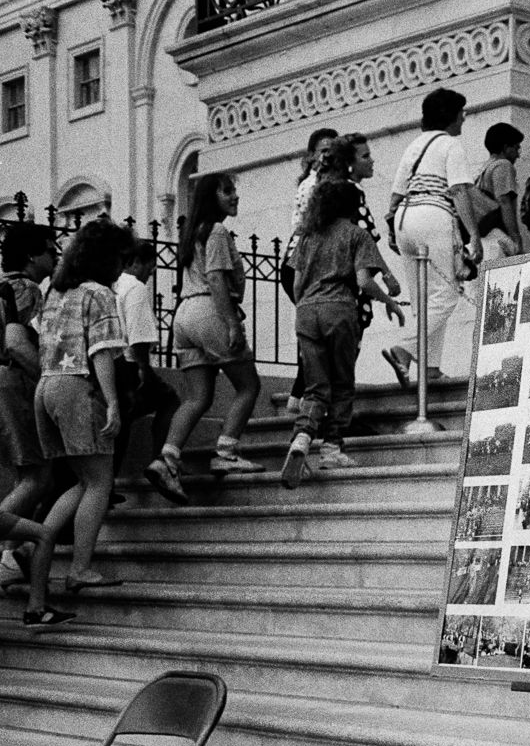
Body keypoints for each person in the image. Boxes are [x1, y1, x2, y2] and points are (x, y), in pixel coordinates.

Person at [282, 180, 408, 488]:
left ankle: (302, 436)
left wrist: (308, 306)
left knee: (315, 386)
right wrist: (390, 301)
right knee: (341, 383)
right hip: (339, 310)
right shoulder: (356, 234)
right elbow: (364, 281)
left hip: (307, 312)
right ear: (353, 206)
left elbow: (296, 284)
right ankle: (331, 447)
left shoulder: (308, 237)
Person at [35, 220, 134, 594]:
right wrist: (112, 403)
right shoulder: (99, 294)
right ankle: (80, 569)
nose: (123, 267)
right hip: (77, 386)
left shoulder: (56, 292)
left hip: (46, 388)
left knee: (82, 480)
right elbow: (101, 352)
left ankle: (36, 546)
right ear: (106, 256)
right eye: (121, 258)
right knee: (100, 482)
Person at [152, 172, 264, 501]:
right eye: (227, 191)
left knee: (196, 397)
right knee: (249, 385)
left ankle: (168, 459)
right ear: (209, 197)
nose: (235, 196)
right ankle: (227, 452)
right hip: (209, 310)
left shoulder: (192, 232)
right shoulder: (216, 231)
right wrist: (231, 323)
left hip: (184, 315)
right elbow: (216, 280)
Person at [383, 87, 481, 388]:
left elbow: (397, 192)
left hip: (405, 217)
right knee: (449, 292)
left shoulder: (415, 145)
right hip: (433, 215)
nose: (463, 118)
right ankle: (404, 348)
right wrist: (474, 235)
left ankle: (430, 368)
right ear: (450, 115)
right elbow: (459, 191)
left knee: (423, 299)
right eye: (461, 112)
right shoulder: (450, 145)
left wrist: (391, 228)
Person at [1, 222, 58, 540]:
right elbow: (18, 344)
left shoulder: (2, 285)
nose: (55, 258)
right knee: (37, 477)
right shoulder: (27, 290)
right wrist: (47, 379)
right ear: (31, 256)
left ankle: (10, 557)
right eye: (51, 251)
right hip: (15, 382)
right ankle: (8, 557)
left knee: (26, 476)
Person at [110, 237, 180, 487]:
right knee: (169, 400)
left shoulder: (113, 284)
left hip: (109, 366)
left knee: (120, 423)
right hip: (129, 366)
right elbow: (138, 337)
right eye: (150, 269)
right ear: (138, 262)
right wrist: (145, 370)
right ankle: (158, 461)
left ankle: (107, 485)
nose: (150, 275)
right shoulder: (135, 288)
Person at [476, 121, 526, 261]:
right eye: (516, 148)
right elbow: (504, 202)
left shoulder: (484, 168)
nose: (518, 155)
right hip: (496, 238)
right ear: (505, 147)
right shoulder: (503, 165)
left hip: (484, 237)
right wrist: (516, 239)